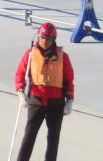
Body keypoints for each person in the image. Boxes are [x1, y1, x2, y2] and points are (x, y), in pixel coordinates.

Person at [15, 21, 75, 161]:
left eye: (48, 38)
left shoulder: (63, 57)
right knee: (29, 135)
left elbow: (69, 78)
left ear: (53, 39)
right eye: (42, 37)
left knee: (53, 138)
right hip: (36, 101)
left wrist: (70, 100)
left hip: (56, 103)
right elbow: (20, 73)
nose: (44, 41)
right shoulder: (30, 54)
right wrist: (20, 92)